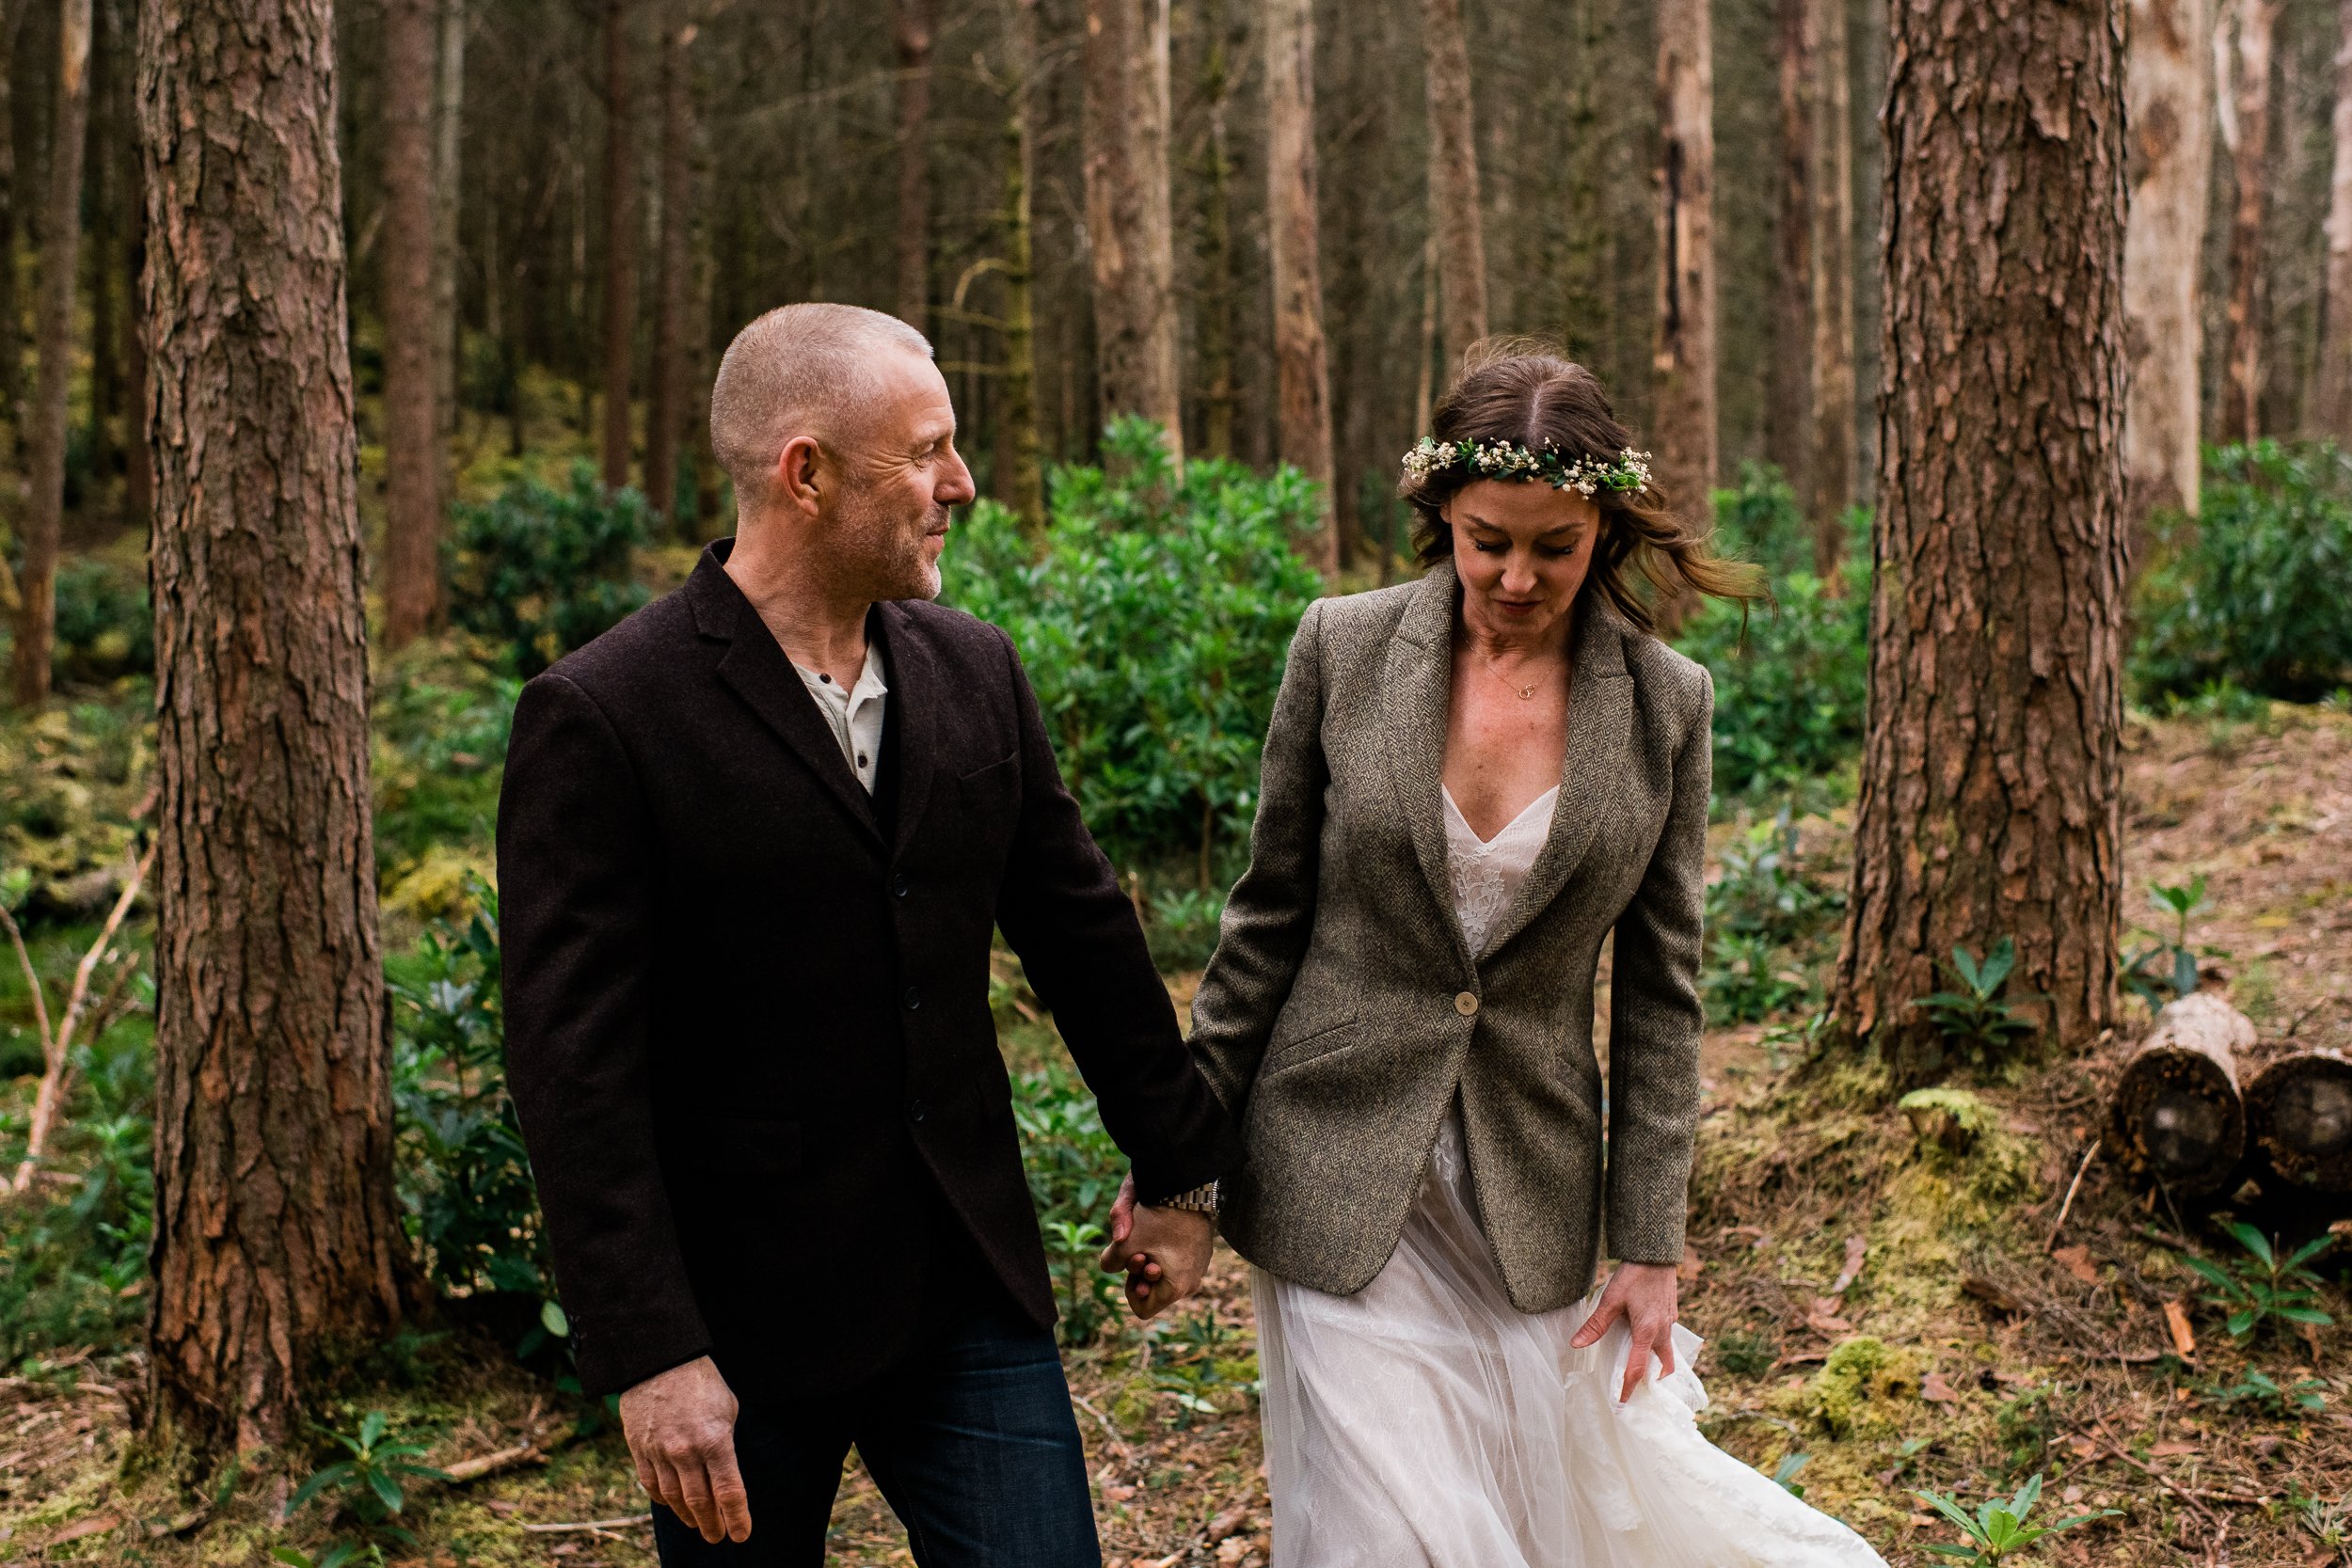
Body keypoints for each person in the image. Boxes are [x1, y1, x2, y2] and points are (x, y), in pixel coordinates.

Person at [496, 302, 1238, 1567]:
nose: (959, 485)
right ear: (807, 473)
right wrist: (651, 1354)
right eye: (928, 452)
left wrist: (1182, 1175)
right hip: (737, 1330)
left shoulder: (974, 670)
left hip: (967, 1297)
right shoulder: (606, 714)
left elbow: (1084, 941)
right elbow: (575, 1070)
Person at [1172, 341, 1892, 1566]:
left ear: (1603, 529)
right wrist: (1184, 1174)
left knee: (1514, 1518)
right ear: (1441, 510)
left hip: (1528, 1198)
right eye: (1486, 539)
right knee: (1391, 1542)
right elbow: (1260, 930)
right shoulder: (1338, 650)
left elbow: (1664, 997)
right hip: (1331, 1172)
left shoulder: (1668, 703)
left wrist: (1652, 1245)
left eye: (1552, 546)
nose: (1514, 576)